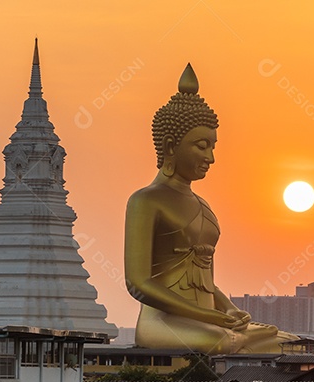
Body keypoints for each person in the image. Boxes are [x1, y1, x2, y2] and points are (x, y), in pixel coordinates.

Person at [124, 64, 297, 354]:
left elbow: (207, 283)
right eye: (202, 146)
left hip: (210, 321)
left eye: (213, 147)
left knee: (291, 344)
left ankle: (239, 337)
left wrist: (229, 310)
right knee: (222, 341)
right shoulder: (145, 201)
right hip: (164, 322)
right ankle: (233, 338)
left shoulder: (202, 205)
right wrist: (208, 317)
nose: (211, 157)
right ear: (170, 146)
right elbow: (139, 283)